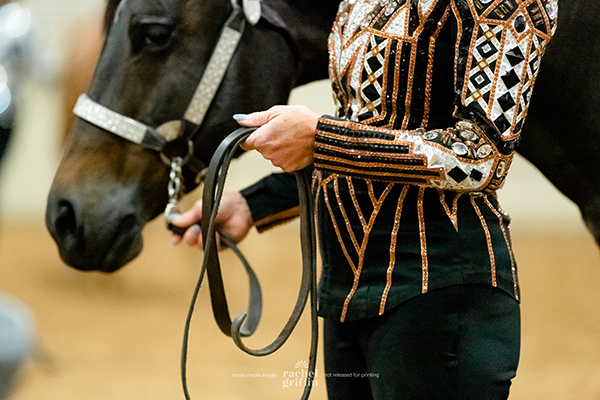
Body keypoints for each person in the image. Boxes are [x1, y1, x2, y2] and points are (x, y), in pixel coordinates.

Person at [172, 0, 559, 399]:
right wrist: (256, 203)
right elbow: (367, 131)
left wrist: (321, 138)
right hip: (346, 291)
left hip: (439, 289)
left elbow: (480, 156)